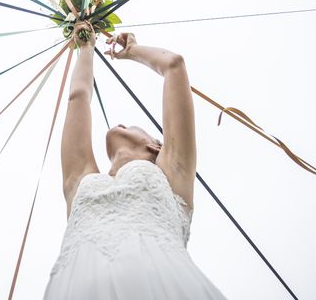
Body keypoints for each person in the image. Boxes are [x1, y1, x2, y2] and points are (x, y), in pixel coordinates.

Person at [43, 21, 228, 299]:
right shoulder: (79, 180)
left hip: (163, 280)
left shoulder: (173, 170)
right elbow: (78, 98)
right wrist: (86, 48)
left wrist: (133, 51)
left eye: (132, 125)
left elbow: (174, 66)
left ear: (155, 145)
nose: (122, 124)